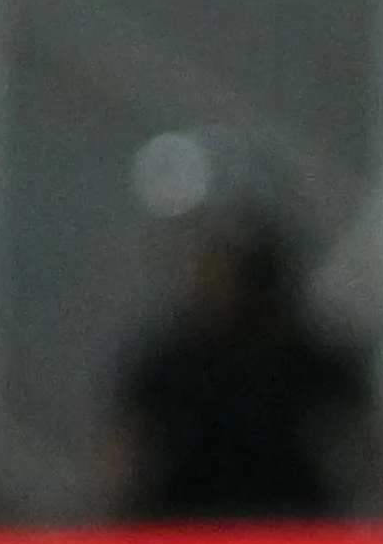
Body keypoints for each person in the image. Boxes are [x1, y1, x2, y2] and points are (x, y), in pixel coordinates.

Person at [102, 216, 368, 519]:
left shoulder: (301, 358)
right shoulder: (173, 363)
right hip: (189, 520)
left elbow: (360, 435)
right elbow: (127, 445)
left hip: (288, 518)